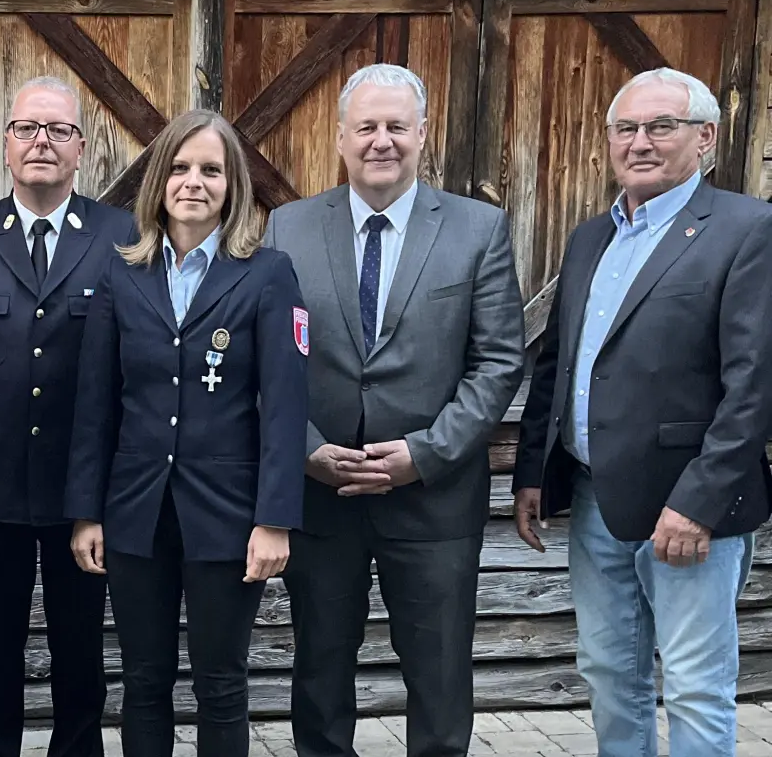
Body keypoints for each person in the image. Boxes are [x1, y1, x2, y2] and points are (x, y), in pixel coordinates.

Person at [263, 64, 524, 757]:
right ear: (341, 137)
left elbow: (498, 361)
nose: (383, 141)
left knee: (439, 679)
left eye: (397, 127)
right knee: (319, 674)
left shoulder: (478, 229)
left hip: (434, 498)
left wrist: (427, 454)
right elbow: (267, 362)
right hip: (323, 494)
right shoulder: (287, 228)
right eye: (368, 127)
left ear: (423, 134)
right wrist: (308, 449)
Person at [513, 67, 772, 757]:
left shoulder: (746, 230)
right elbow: (561, 363)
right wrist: (533, 473)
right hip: (596, 498)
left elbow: (755, 385)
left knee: (693, 683)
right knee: (608, 672)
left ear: (705, 137)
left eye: (662, 126)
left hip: (689, 512)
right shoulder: (591, 237)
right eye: (625, 128)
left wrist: (701, 503)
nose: (640, 142)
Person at [64, 109, 309, 757]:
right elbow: (96, 404)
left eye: (210, 169)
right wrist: (86, 512)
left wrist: (274, 519)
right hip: (135, 510)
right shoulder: (122, 273)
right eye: (178, 167)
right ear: (157, 182)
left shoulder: (268, 273)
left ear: (233, 185)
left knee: (221, 683)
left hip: (227, 515)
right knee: (144, 680)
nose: (192, 182)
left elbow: (285, 406)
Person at [0, 76, 133, 757]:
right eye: (27, 128)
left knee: (79, 647)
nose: (42, 143)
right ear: (5, 144)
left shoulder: (122, 235)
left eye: (57, 131)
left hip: (82, 486)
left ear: (82, 148)